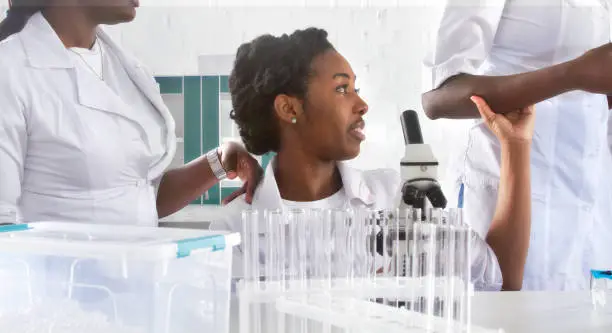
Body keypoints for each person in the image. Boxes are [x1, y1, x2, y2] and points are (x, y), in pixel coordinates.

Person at [210, 27, 534, 291]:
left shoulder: (393, 198)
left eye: (356, 88)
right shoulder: (234, 228)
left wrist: (516, 145)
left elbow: (498, 281)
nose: (362, 104)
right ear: (289, 108)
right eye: (342, 89)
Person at [0, 0, 262, 226]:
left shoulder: (124, 69)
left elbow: (135, 196)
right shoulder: (10, 70)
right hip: (54, 281)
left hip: (132, 277)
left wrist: (220, 161)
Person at [422, 0, 612, 290]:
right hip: (507, 194)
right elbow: (439, 96)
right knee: (501, 312)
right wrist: (574, 75)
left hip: (587, 206)